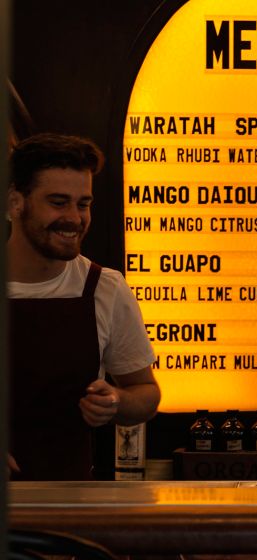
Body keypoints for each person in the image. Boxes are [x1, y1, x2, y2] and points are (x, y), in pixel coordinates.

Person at [7, 133, 160, 480]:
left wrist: (117, 401)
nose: (75, 218)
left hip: (70, 501)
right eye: (59, 202)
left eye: (84, 204)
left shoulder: (104, 287)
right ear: (15, 202)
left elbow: (146, 393)